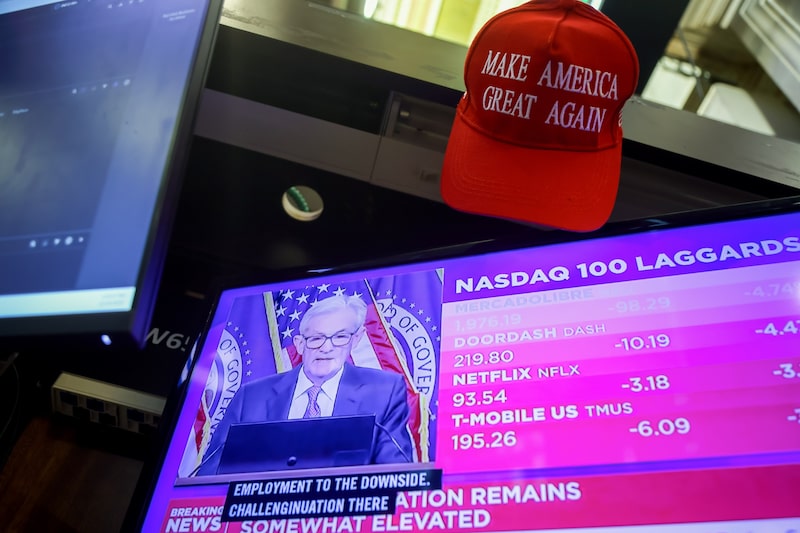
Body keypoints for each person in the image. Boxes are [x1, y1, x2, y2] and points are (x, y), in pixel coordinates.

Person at [195, 294, 413, 476]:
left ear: (356, 340)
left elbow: (393, 473)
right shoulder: (251, 397)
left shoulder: (384, 391)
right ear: (299, 344)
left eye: (339, 337)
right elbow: (210, 472)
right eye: (316, 339)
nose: (326, 348)